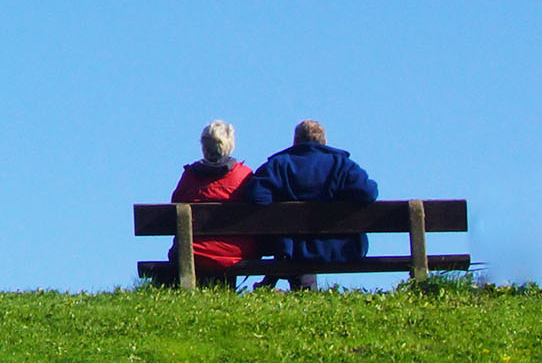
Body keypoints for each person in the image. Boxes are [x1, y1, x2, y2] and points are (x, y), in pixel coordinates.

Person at [239, 120, 379, 291]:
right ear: (324, 142)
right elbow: (368, 193)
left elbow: (257, 196)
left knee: (289, 241)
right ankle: (288, 285)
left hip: (291, 248)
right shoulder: (342, 165)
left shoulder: (278, 165)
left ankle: (272, 282)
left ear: (295, 141)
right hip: (335, 247)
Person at [158, 120, 254, 289]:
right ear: (229, 144)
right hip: (233, 254)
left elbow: (174, 205)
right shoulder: (244, 175)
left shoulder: (189, 177)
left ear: (204, 146)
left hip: (193, 253)